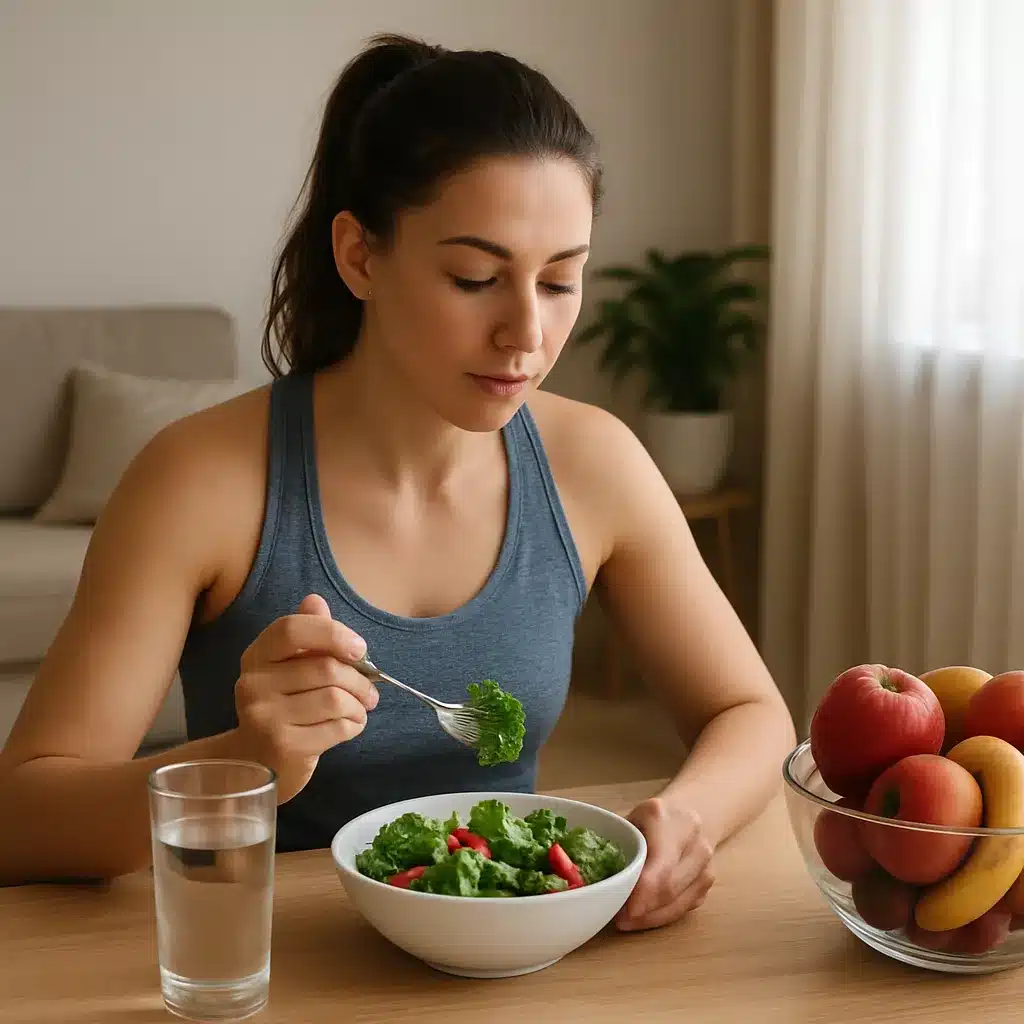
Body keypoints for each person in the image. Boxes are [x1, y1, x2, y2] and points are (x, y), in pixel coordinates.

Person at [0, 34, 794, 931]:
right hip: (271, 957)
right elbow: (22, 820)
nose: (525, 333)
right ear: (361, 256)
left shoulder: (594, 463)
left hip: (516, 964)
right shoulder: (197, 480)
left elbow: (751, 713)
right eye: (475, 278)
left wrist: (686, 819)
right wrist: (244, 759)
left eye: (562, 281)